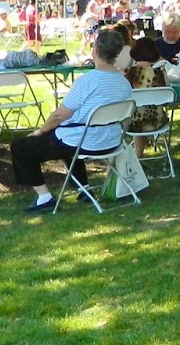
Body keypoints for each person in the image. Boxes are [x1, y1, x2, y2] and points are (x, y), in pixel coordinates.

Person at [11, 29, 134, 212]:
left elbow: (59, 115)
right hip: (111, 140)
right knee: (69, 135)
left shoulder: (87, 81)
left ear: (95, 50)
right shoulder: (124, 83)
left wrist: (41, 131)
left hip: (85, 140)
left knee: (21, 147)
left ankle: (44, 197)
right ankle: (83, 188)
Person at [122, 35, 170, 156]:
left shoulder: (127, 74)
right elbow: (167, 97)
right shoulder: (159, 74)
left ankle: (138, 154)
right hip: (157, 122)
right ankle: (139, 153)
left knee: (138, 112)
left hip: (133, 124)